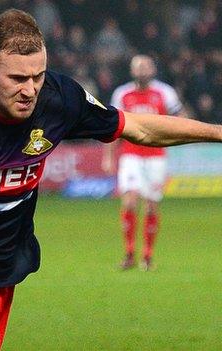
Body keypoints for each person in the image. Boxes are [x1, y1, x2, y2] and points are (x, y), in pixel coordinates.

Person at [0, 9, 222, 351]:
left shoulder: (60, 100)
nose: (29, 90)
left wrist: (218, 132)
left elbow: (140, 128)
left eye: (38, 76)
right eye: (17, 78)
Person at [104, 55, 185, 271]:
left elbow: (180, 119)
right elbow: (112, 127)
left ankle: (147, 256)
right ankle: (130, 253)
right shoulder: (122, 93)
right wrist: (109, 156)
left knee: (151, 205)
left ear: (153, 69)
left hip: (156, 156)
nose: (142, 70)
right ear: (132, 71)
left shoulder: (165, 92)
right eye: (138, 67)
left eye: (145, 66)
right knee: (129, 201)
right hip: (130, 155)